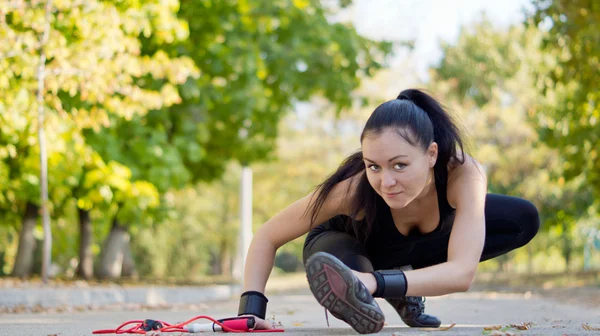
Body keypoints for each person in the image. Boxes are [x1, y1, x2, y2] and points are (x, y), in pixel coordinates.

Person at [236, 89, 540, 334]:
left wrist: (377, 283)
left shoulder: (464, 175)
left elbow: (462, 272)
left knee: (521, 218)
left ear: (431, 154)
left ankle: (394, 282)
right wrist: (250, 312)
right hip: (343, 246)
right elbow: (267, 236)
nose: (386, 181)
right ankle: (383, 284)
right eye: (374, 166)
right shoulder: (352, 190)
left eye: (400, 165)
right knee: (350, 287)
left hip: (403, 253)